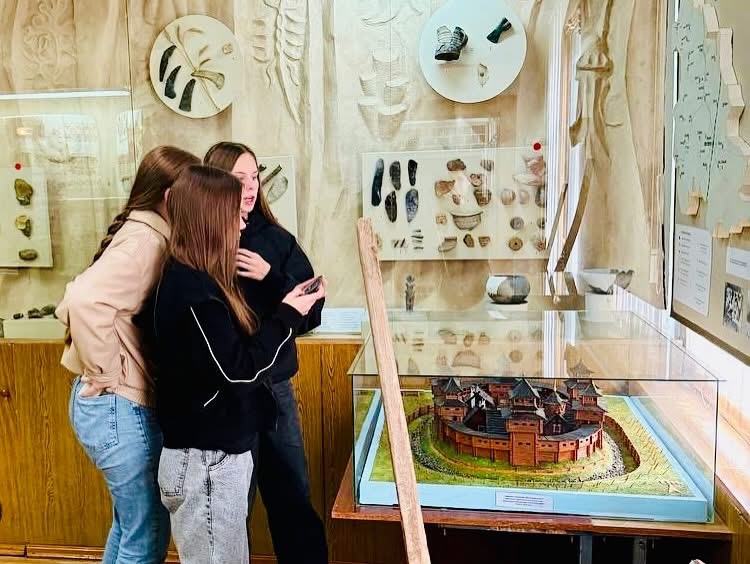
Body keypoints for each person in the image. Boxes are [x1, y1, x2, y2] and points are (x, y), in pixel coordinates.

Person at [139, 165, 325, 563]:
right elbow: (237, 371)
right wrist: (287, 314)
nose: (242, 226)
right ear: (211, 220)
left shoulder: (199, 280)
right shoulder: (190, 289)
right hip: (205, 463)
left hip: (217, 457)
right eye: (234, 217)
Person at [56, 146, 200, 564]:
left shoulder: (144, 234)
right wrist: (106, 371)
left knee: (131, 525)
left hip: (112, 405)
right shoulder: (145, 243)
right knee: (147, 533)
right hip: (119, 405)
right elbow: (82, 301)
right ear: (171, 197)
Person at [204, 142, 328, 564]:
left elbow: (313, 312)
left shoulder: (275, 240)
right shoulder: (200, 244)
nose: (250, 187)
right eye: (239, 179)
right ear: (214, 182)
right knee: (228, 508)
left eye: (255, 176)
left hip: (274, 391)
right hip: (225, 397)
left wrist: (271, 277)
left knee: (292, 497)